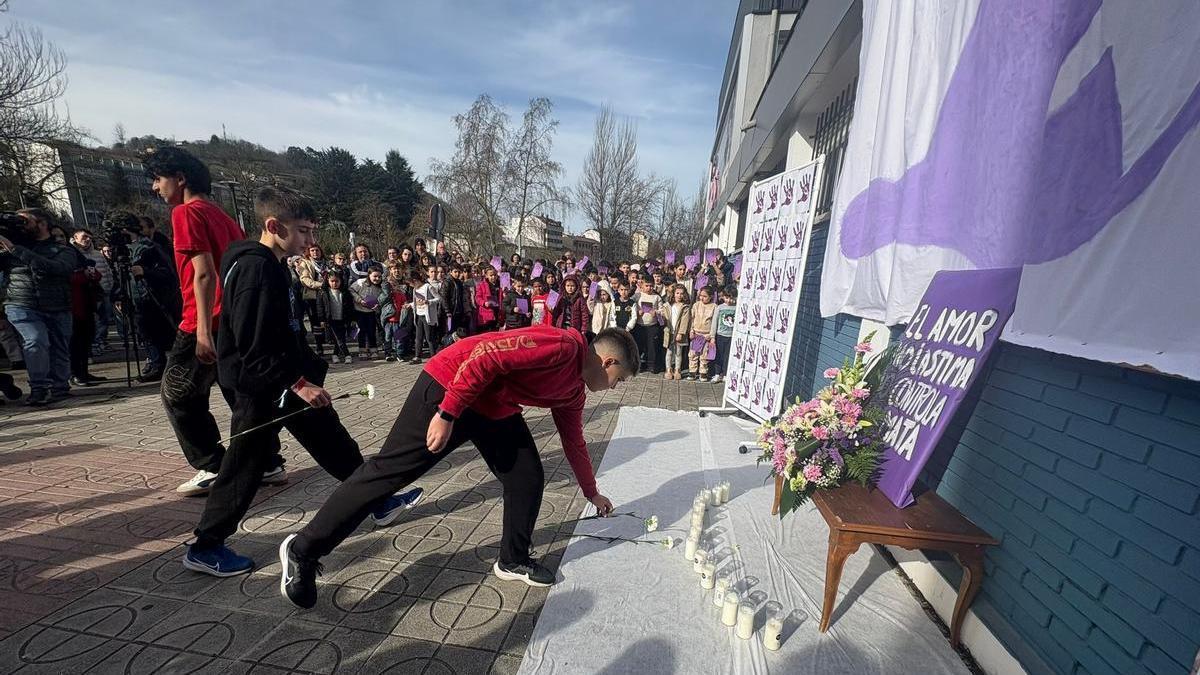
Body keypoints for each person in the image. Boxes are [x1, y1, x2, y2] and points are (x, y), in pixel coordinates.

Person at [278, 325, 640, 607]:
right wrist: (447, 412)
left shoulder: (574, 391)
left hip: (492, 406)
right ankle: (303, 549)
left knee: (527, 476)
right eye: (618, 380)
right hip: (449, 382)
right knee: (389, 473)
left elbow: (573, 441)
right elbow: (485, 355)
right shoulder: (562, 345)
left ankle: (513, 559)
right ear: (609, 362)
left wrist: (591, 491)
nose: (613, 387)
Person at [183, 187, 423, 577]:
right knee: (245, 464)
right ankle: (206, 545)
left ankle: (377, 501)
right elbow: (252, 344)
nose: (312, 241)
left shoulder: (273, 264)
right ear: (273, 226)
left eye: (313, 231)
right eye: (304, 232)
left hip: (286, 380)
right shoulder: (255, 268)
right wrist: (299, 384)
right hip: (262, 386)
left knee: (334, 442)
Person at [144, 146, 285, 495]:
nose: (155, 188)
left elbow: (204, 274)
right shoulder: (224, 216)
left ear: (180, 178)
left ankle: (212, 464)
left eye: (158, 179)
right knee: (240, 394)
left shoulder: (187, 213)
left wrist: (203, 331)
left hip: (202, 320)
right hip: (233, 319)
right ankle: (268, 461)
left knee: (178, 396)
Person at [0, 208, 81, 406]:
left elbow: (58, 268)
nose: (21, 225)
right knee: (35, 340)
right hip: (21, 303)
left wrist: (16, 249)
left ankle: (60, 386)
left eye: (25, 221)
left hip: (57, 303)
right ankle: (39, 388)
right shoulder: (9, 250)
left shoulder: (62, 249)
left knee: (59, 345)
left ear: (42, 223)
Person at [71, 229, 115, 353]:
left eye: (89, 237)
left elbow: (107, 270)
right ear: (75, 238)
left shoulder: (97, 254)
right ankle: (93, 344)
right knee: (93, 320)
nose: (87, 239)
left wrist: (109, 286)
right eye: (84, 237)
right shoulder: (73, 254)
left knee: (104, 318)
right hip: (87, 293)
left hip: (104, 291)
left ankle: (102, 341)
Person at [296, 245, 328, 356]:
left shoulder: (327, 263)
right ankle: (319, 346)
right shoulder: (305, 263)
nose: (315, 253)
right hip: (313, 296)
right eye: (312, 251)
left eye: (317, 250)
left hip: (327, 295)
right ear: (309, 252)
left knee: (327, 319)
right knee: (316, 321)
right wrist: (321, 285)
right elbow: (305, 280)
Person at [316, 274, 353, 364]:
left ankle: (335, 354)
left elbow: (350, 306)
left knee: (341, 337)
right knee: (338, 338)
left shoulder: (345, 292)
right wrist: (322, 319)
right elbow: (319, 307)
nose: (334, 283)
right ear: (327, 281)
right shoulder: (323, 292)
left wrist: (352, 319)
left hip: (342, 318)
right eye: (332, 281)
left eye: (337, 281)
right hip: (330, 319)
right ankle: (347, 354)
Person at [350, 266, 386, 359]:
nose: (377, 279)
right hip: (360, 311)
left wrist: (377, 305)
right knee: (361, 331)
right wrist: (359, 300)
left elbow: (382, 297)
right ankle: (362, 350)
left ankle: (373, 349)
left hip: (372, 311)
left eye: (379, 277)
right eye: (375, 276)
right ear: (369, 275)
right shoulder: (360, 283)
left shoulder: (381, 286)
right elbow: (351, 290)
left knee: (372, 331)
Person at [662, 284, 692, 381]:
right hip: (669, 332)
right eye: (677, 293)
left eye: (682, 293)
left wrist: (681, 333)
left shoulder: (685, 307)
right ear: (673, 294)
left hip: (679, 332)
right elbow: (664, 317)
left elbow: (685, 321)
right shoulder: (667, 305)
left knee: (678, 352)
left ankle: (677, 370)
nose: (679, 295)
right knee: (669, 351)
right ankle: (668, 369)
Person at [634, 279, 663, 374]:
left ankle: (651, 365)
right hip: (640, 325)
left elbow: (662, 311)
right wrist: (637, 312)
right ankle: (638, 365)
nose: (649, 288)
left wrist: (656, 312)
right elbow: (631, 306)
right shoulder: (637, 296)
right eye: (647, 286)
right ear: (642, 286)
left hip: (652, 325)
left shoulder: (656, 297)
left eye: (651, 286)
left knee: (652, 346)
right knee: (639, 345)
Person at [688, 286, 717, 381]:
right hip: (696, 333)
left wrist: (711, 335)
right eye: (701, 296)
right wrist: (691, 330)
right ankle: (692, 371)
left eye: (705, 296)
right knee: (693, 353)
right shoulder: (696, 305)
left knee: (704, 355)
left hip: (706, 335)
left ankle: (703, 372)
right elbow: (692, 319)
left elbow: (714, 322)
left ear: (711, 296)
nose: (702, 298)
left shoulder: (714, 307)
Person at [711, 286, 737, 383]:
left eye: (731, 298)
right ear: (723, 297)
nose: (729, 300)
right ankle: (717, 373)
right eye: (727, 298)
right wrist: (712, 336)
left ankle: (726, 374)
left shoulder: (737, 307)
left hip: (731, 336)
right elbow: (715, 322)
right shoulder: (720, 307)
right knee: (718, 355)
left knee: (727, 356)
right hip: (720, 335)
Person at [474, 267, 502, 333]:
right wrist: (484, 303)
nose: (493, 277)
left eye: (495, 275)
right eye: (491, 275)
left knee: (495, 333)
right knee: (486, 333)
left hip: (497, 312)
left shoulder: (500, 285)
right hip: (486, 312)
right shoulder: (481, 285)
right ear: (486, 275)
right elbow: (477, 298)